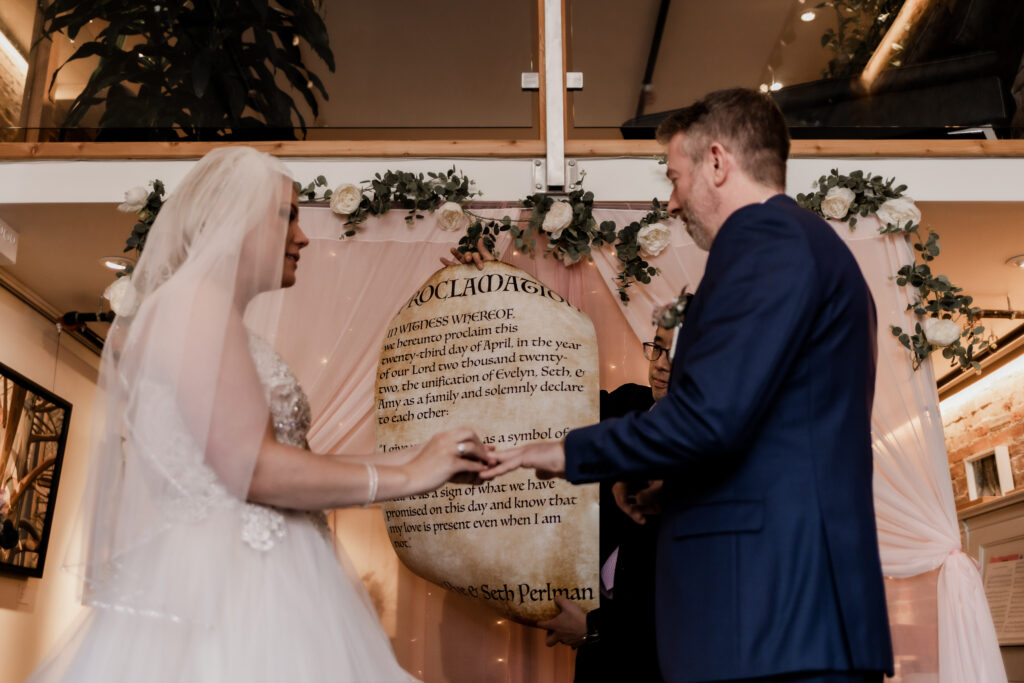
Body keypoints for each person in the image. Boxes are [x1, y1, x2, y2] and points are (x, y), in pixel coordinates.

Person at [29, 147, 490, 682]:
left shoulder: (212, 317)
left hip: (272, 576)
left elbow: (293, 460)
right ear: (235, 218)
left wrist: (430, 455)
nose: (302, 235)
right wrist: (409, 476)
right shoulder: (192, 304)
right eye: (287, 214)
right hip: (237, 590)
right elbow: (256, 469)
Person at [483, 88, 894, 683]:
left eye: (675, 177)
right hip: (780, 619)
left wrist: (566, 450)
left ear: (719, 162)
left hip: (774, 617)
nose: (672, 203)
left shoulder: (765, 240)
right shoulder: (798, 244)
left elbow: (710, 416)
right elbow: (769, 426)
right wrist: (668, 487)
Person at [539, 320, 674, 683]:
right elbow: (548, 390)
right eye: (658, 347)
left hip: (658, 660)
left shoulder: (714, 449)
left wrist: (592, 627)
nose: (662, 363)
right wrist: (492, 283)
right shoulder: (626, 404)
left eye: (679, 353)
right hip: (598, 657)